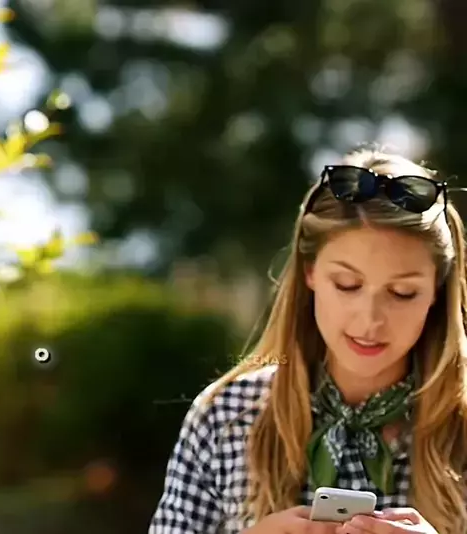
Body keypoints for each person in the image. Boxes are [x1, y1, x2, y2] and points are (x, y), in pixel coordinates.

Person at [148, 147, 467, 534]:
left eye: (402, 293)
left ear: (437, 291)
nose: (370, 320)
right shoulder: (227, 417)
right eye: (347, 285)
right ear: (309, 272)